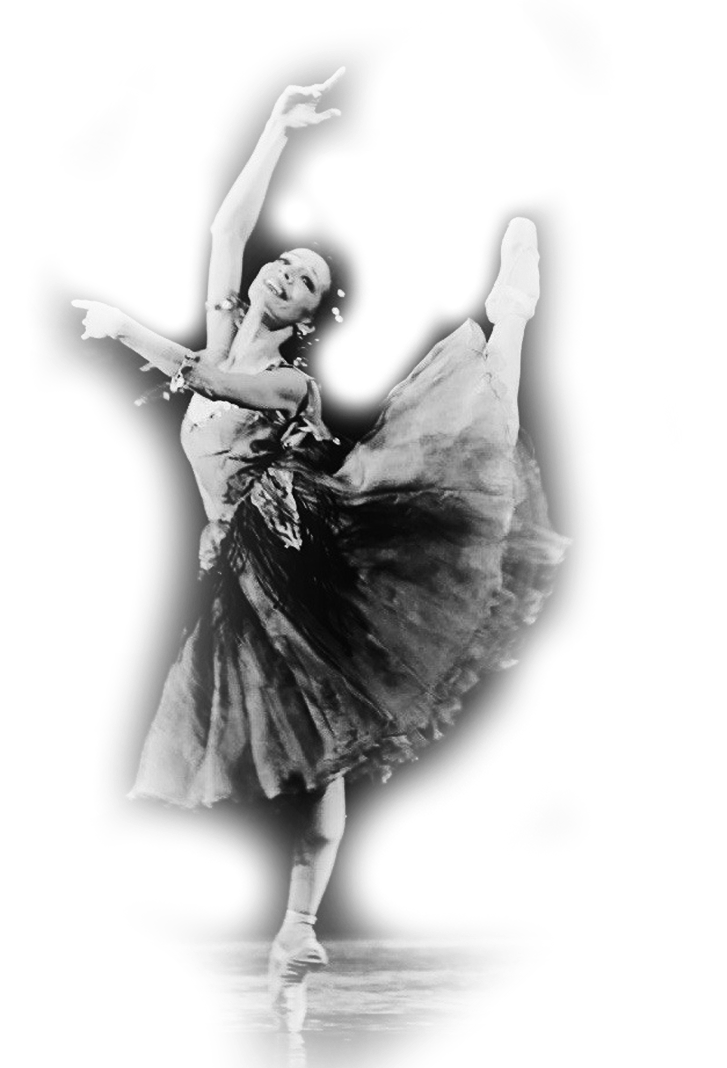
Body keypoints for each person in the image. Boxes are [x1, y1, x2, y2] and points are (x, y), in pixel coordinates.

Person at [71, 66, 570, 1034]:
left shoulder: (289, 386)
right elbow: (225, 233)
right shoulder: (227, 322)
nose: (280, 273)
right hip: (249, 572)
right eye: (285, 263)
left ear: (307, 321)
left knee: (477, 461)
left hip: (315, 547)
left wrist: (125, 328)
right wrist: (276, 127)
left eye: (302, 280)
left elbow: (207, 379)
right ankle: (296, 938)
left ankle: (509, 315)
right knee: (319, 747)